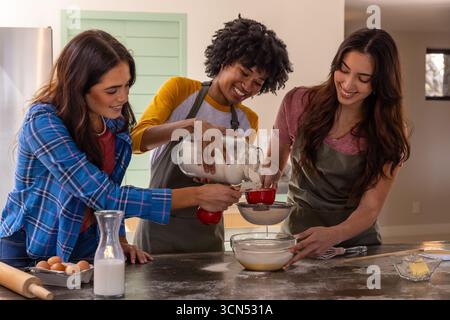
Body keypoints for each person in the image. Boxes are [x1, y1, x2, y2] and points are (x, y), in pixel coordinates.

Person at [0, 30, 241, 268]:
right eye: (112, 90)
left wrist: (118, 238)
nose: (123, 98)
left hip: (86, 243)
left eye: (127, 86)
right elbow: (105, 195)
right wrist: (197, 195)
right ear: (78, 86)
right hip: (31, 246)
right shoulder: (43, 121)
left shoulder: (113, 122)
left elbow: (111, 188)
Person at [131, 16, 293, 254]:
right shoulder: (180, 91)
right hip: (158, 231)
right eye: (244, 73)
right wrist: (191, 126)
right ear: (224, 60)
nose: (248, 87)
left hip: (207, 234)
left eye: (258, 82)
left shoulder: (248, 120)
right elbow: (136, 141)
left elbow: (233, 177)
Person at [261, 28, 410, 265]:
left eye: (363, 78)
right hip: (296, 241)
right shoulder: (298, 103)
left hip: (355, 250)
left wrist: (333, 235)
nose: (348, 84)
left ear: (380, 83)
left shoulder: (389, 132)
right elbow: (270, 168)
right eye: (344, 69)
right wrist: (251, 176)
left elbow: (371, 208)